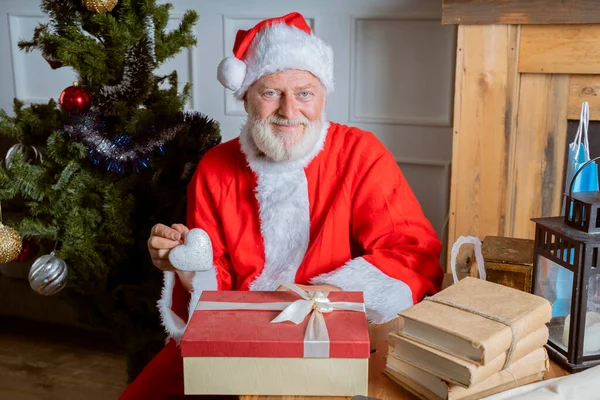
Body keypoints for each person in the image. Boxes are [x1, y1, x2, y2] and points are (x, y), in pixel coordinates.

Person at [120, 12, 443, 399]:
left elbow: (412, 253)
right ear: (247, 97)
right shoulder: (216, 167)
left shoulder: (361, 154)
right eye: (271, 93)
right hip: (237, 338)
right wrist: (188, 265)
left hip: (336, 338)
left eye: (304, 93)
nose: (290, 111)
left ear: (323, 94)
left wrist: (325, 294)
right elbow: (214, 284)